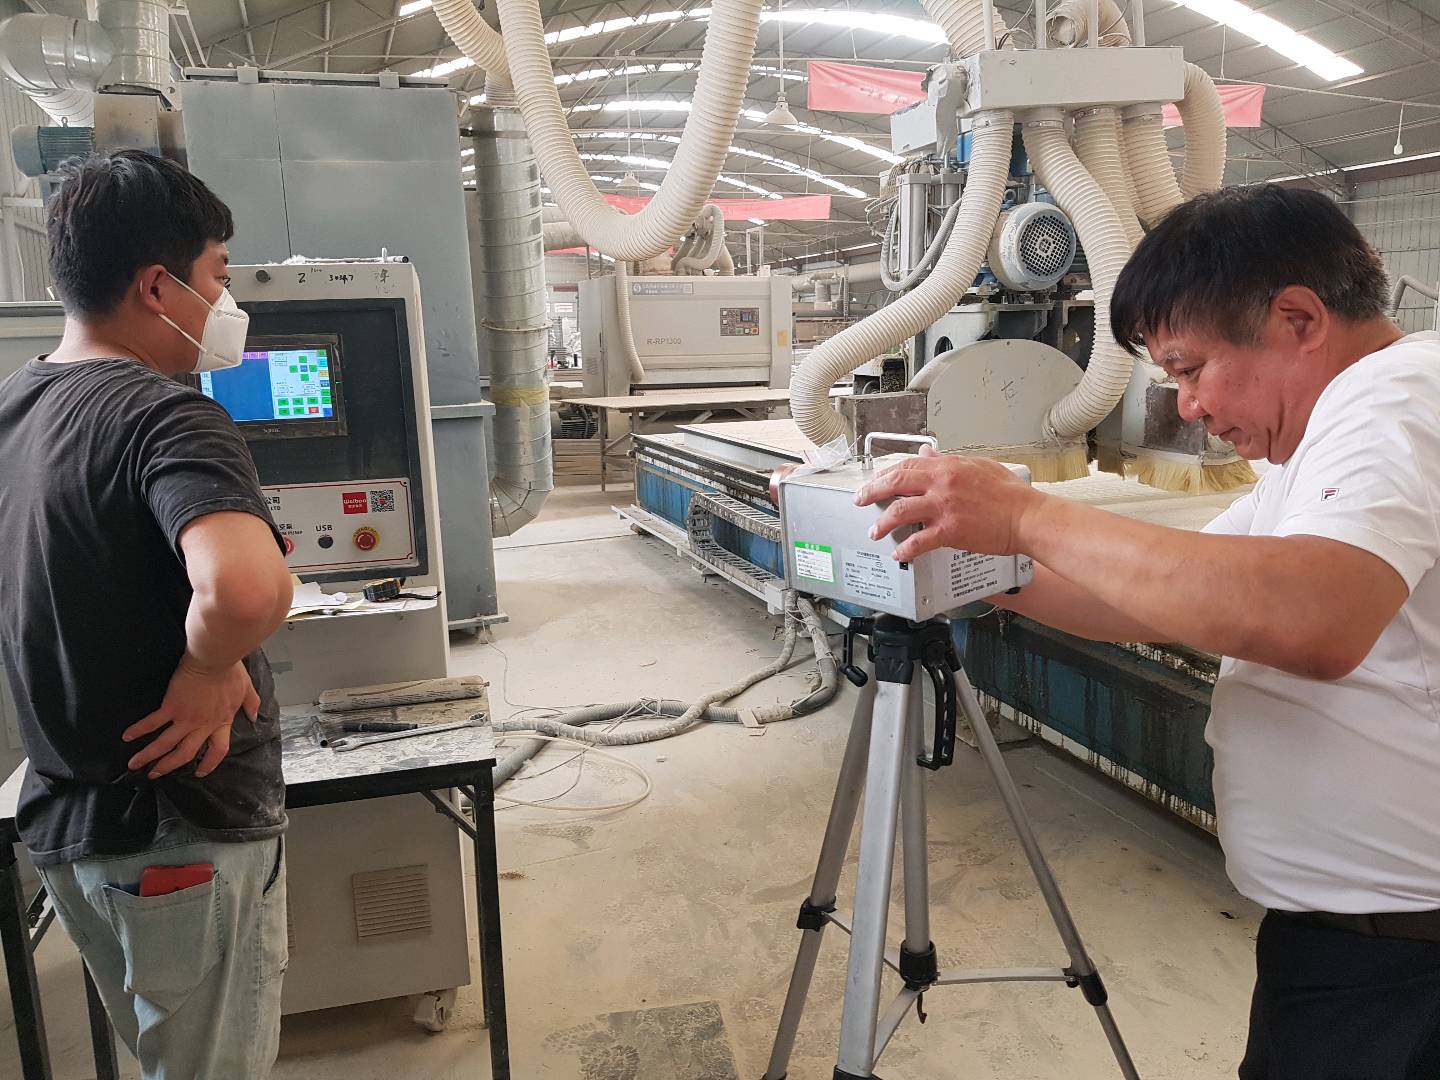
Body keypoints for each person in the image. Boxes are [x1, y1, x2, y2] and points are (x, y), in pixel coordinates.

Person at [854, 184, 1440, 1078]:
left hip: (1403, 965)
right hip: (1358, 944)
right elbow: (1152, 596)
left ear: (1297, 320)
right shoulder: (1317, 445)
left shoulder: (1394, 399)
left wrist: (1027, 516)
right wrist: (956, 557)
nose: (1189, 405)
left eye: (1191, 368)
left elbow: (1315, 617)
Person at [0, 151, 293, 1078]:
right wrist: (208, 665)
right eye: (218, 275)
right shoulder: (166, 417)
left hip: (73, 825)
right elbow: (247, 589)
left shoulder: (16, 407)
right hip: (179, 827)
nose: (226, 301)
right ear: (157, 286)